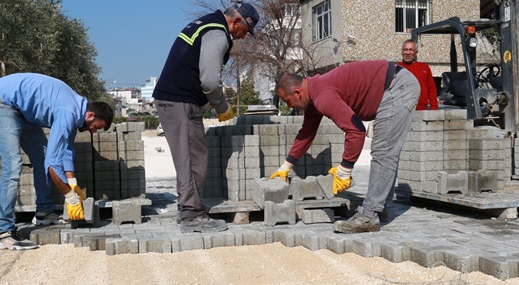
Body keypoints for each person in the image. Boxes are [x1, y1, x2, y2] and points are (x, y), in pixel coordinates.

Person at [270, 60, 420, 233]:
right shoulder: (313, 95)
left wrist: (344, 171)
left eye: (288, 101)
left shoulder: (323, 96)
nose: (290, 106)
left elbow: (356, 131)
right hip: (392, 83)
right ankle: (379, 207)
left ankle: (369, 216)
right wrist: (285, 167)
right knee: (385, 151)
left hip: (397, 86)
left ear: (297, 93)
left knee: (384, 151)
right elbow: (306, 134)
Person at [153, 2, 259, 233]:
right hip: (180, 101)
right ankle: (191, 215)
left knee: (191, 157)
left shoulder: (205, 24)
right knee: (193, 159)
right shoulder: (218, 33)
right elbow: (210, 81)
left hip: (175, 100)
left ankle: (189, 209)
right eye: (245, 32)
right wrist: (221, 105)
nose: (243, 38)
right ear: (237, 22)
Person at [0, 73, 113, 250]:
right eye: (96, 127)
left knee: (43, 155)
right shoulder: (69, 112)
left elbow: (67, 150)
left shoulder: (76, 110)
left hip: (23, 112)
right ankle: (4, 232)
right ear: (90, 115)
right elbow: (53, 164)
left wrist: (73, 183)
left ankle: (44, 211)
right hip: (4, 104)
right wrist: (70, 197)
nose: (93, 132)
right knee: (13, 166)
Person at [398, 39, 439, 110]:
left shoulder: (424, 67)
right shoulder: (396, 68)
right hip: (401, 111)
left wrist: (434, 108)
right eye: (405, 49)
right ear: (402, 52)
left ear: (416, 52)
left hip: (421, 110)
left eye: (411, 50)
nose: (408, 52)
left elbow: (431, 89)